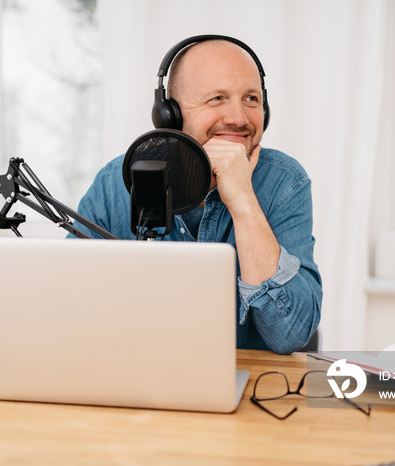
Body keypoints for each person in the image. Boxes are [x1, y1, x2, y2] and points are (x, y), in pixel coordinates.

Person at [69, 36, 322, 354]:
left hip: (246, 388)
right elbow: (69, 305)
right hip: (133, 382)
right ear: (170, 115)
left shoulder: (285, 182)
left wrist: (244, 202)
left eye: (251, 99)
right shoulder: (115, 183)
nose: (239, 118)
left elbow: (291, 335)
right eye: (217, 98)